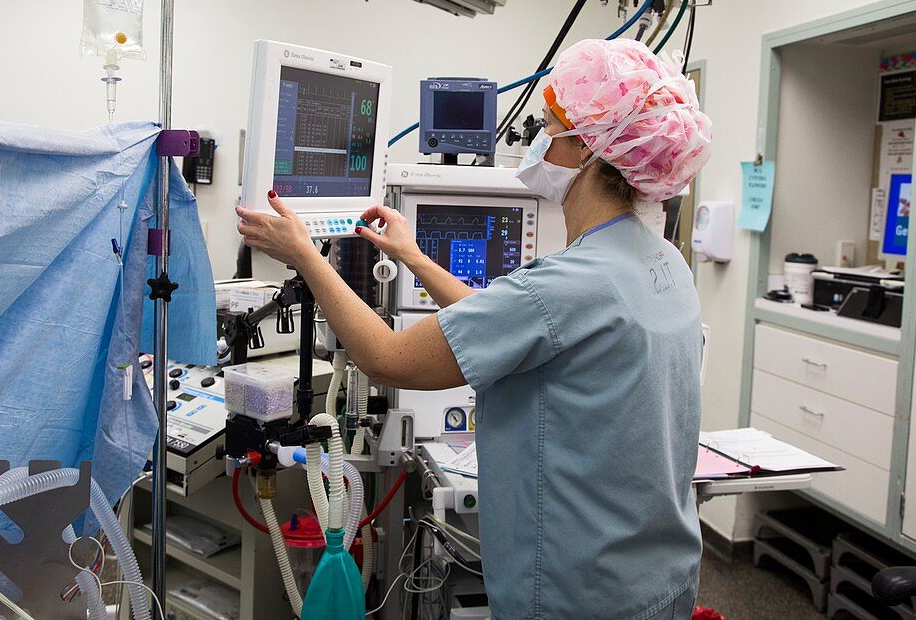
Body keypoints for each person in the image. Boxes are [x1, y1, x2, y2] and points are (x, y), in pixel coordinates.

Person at [236, 38, 713, 620]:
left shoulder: (571, 284)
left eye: (547, 125)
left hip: (578, 593)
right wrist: (412, 255)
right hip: (658, 581)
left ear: (587, 148)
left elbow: (388, 357)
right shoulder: (662, 262)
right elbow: (511, 322)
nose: (537, 140)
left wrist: (307, 257)